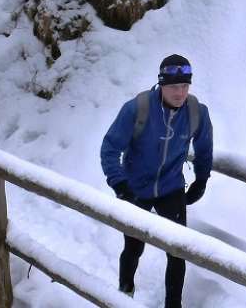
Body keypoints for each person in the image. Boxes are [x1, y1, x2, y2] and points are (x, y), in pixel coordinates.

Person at [100, 54, 213, 308]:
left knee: (177, 252)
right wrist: (119, 184)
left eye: (185, 86)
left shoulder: (196, 112)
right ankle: (124, 293)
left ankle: (173, 305)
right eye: (174, 86)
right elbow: (109, 148)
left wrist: (201, 179)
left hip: (171, 188)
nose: (180, 93)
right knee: (133, 247)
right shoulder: (137, 109)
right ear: (162, 84)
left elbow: (204, 149)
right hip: (135, 188)